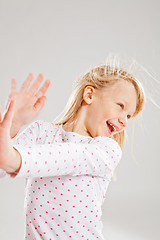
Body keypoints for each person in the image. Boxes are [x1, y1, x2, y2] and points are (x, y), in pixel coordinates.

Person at [0, 60, 145, 240]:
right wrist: (13, 125)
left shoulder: (106, 150)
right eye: (121, 106)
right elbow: (2, 166)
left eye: (129, 116)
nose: (124, 121)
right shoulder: (41, 132)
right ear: (90, 95)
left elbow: (70, 157)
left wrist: (13, 159)